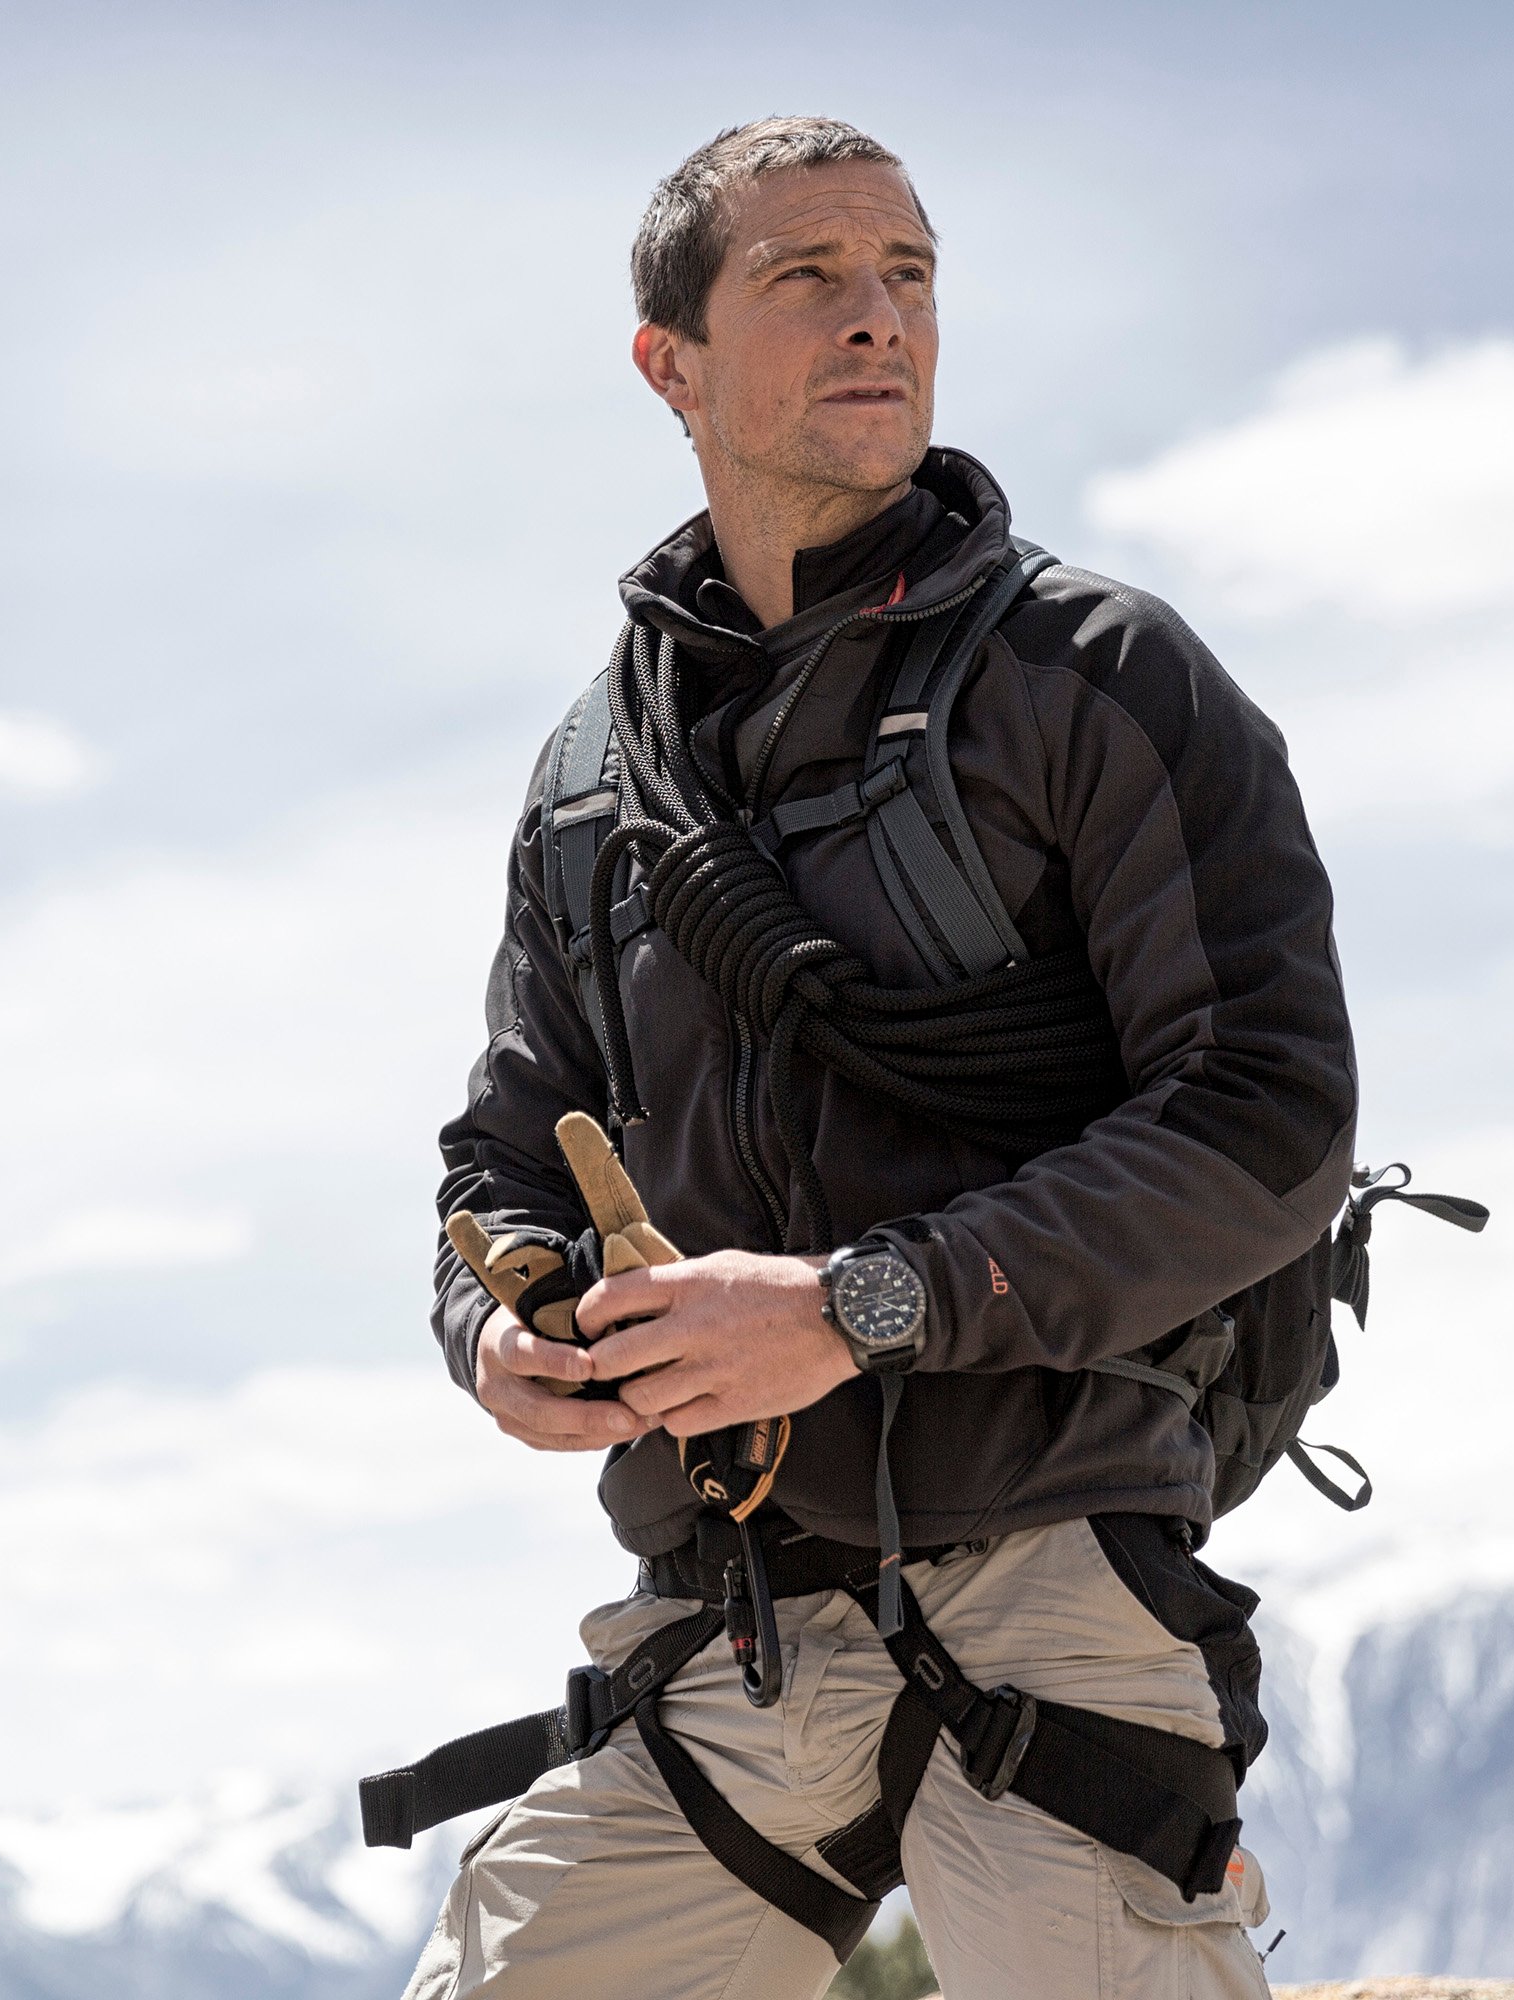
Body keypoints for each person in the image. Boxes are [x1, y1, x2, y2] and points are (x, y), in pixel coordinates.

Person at [405, 115, 1358, 1999]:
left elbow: (1270, 1115)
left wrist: (861, 1305)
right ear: (666, 362)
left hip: (1058, 1585)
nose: (879, 320)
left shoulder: (1095, 678)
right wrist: (495, 1335)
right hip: (732, 1623)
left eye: (908, 276)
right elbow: (497, 1160)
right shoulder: (595, 784)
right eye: (810, 278)